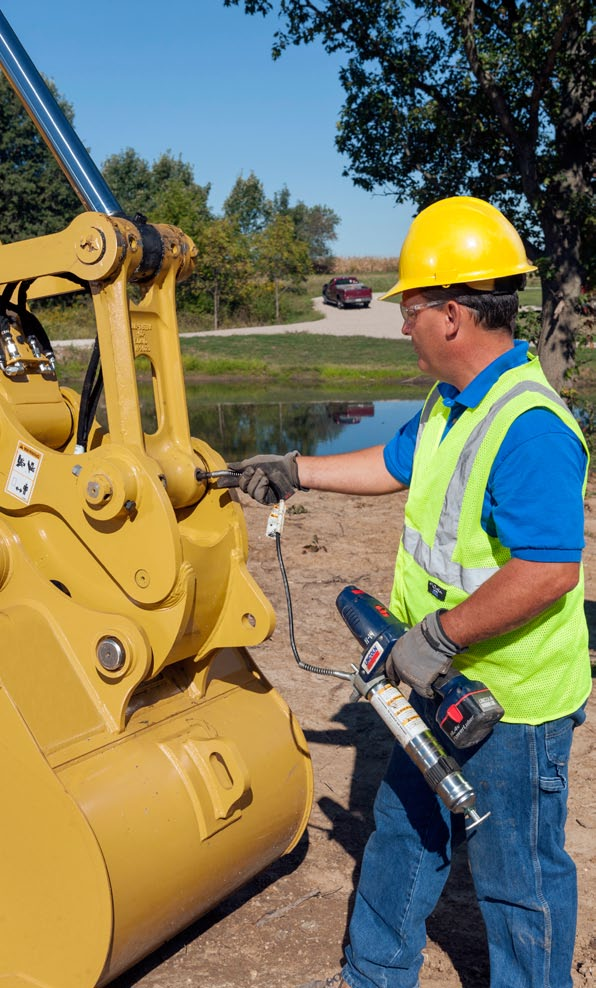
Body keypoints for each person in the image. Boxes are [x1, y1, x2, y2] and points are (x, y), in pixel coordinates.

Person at [224, 196, 591, 988]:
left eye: (412, 308)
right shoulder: (448, 404)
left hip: (510, 706)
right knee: (403, 831)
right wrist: (298, 470)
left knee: (519, 882)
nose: (402, 325)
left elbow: (549, 569)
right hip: (430, 678)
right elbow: (395, 465)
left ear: (453, 315)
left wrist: (437, 638)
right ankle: (373, 975)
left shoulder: (528, 425)